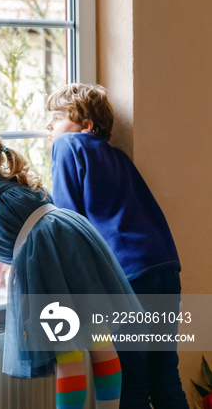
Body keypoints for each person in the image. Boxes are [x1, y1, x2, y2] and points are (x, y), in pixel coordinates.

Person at [0, 118, 139, 409]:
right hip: (77, 245)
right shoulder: (16, 183)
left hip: (48, 261)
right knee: (99, 342)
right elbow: (8, 239)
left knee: (67, 351)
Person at [46, 83, 187, 408]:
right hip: (164, 267)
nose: (49, 127)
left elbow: (69, 223)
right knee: (166, 378)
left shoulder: (68, 145)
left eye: (56, 117)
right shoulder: (117, 156)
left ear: (86, 124)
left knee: (133, 383)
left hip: (129, 278)